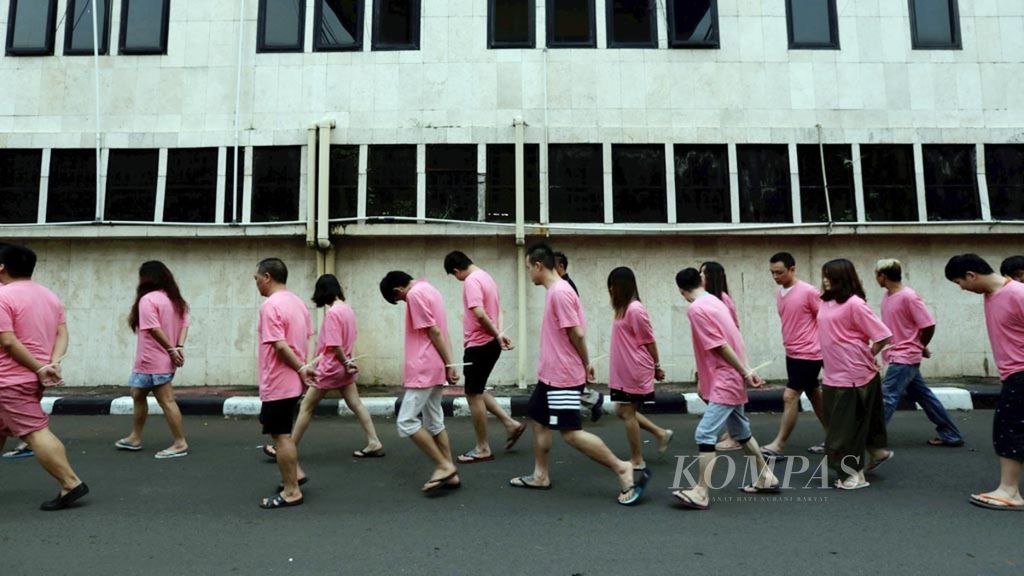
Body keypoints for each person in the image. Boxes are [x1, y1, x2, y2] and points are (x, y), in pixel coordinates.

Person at [509, 243, 643, 506]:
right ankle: (540, 474)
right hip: (550, 374)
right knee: (538, 418)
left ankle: (622, 469)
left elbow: (576, 333)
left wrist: (586, 363)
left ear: (538, 266)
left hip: (562, 376)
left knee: (570, 433)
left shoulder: (559, 292)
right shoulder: (556, 291)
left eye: (528, 268)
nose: (528, 274)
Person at [671, 268, 778, 511]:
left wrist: (744, 371)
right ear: (701, 281)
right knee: (741, 432)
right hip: (731, 376)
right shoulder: (716, 301)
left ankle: (701, 491)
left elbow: (719, 345)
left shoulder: (697, 309)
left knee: (704, 434)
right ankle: (766, 476)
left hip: (724, 379)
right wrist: (747, 370)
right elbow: (734, 339)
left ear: (681, 290)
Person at [0, 243, 89, 510]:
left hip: (9, 379)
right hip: (30, 378)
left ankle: (70, 482)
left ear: (2, 268)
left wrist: (40, 367)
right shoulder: (49, 296)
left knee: (35, 432)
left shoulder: (3, 296)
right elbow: (62, 333)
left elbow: (8, 341)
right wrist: (52, 363)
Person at [265, 274, 384, 461]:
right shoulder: (348, 310)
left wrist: (342, 361)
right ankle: (374, 440)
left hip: (331, 368)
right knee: (356, 404)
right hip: (345, 367)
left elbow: (335, 345)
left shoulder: (333, 313)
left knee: (306, 407)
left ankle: (288, 448)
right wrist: (347, 363)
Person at [945, 254, 1024, 511]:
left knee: (1008, 428)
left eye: (960, 282)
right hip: (1012, 373)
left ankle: (1009, 492)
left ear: (971, 275)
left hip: (1021, 372)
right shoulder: (992, 295)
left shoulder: (1016, 293)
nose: (962, 288)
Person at [379, 271, 461, 492]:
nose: (402, 301)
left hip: (423, 366)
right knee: (434, 420)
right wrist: (447, 363)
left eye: (399, 299)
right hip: (434, 365)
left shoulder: (414, 295)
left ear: (398, 291)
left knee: (406, 421)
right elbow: (439, 330)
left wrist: (450, 363)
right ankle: (450, 471)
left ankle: (443, 466)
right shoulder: (430, 289)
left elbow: (433, 331)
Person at [817, 259, 893, 490]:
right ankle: (877, 452)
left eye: (830, 276)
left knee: (844, 430)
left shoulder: (855, 304)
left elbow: (883, 336)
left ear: (843, 278)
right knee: (850, 423)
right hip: (833, 373)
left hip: (853, 374)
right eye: (824, 275)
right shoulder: (825, 303)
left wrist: (867, 354)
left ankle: (854, 475)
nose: (825, 280)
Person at [443, 251, 526, 463]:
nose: (457, 279)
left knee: (472, 394)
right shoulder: (487, 277)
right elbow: (498, 311)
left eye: (454, 276)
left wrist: (497, 334)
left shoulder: (471, 281)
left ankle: (482, 448)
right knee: (476, 389)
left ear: (456, 270)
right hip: (489, 343)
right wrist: (498, 333)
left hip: (479, 344)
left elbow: (479, 313)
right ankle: (510, 424)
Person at [874, 259, 963, 447]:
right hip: (898, 353)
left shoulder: (909, 296)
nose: (876, 279)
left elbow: (928, 324)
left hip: (905, 356)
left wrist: (919, 344)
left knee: (887, 396)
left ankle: (871, 440)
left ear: (882, 276)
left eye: (877, 275)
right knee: (924, 396)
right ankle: (951, 434)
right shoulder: (888, 296)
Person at [114, 261, 190, 459]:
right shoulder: (175, 300)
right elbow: (184, 325)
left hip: (154, 360)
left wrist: (172, 349)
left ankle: (180, 442)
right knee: (137, 393)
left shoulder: (148, 300)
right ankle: (135, 437)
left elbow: (154, 329)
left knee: (166, 400)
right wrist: (177, 348)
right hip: (156, 359)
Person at [253, 257, 313, 509]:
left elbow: (279, 345)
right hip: (293, 381)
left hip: (279, 381)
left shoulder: (271, 305)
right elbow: (307, 339)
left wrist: (300, 368)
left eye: (256, 279)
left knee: (281, 437)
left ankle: (291, 491)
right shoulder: (298, 303)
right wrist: (303, 369)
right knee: (283, 432)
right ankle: (295, 474)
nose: (256, 284)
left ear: (267, 277)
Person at [760, 252, 829, 458]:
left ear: (792, 269)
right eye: (772, 273)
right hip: (792, 352)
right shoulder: (779, 292)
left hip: (809, 353)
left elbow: (826, 319)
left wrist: (826, 352)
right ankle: (835, 438)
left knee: (790, 396)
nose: (775, 276)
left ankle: (778, 445)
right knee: (815, 396)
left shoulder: (809, 292)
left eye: (779, 272)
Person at [606, 267, 674, 474]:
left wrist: (657, 366)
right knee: (623, 411)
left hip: (635, 368)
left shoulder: (635, 309)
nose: (610, 290)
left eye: (613, 286)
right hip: (624, 369)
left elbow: (649, 340)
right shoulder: (623, 308)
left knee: (627, 412)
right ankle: (661, 433)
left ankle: (637, 459)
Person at [553, 251, 604, 423]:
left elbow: (572, 322)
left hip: (570, 340)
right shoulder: (563, 285)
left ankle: (593, 400)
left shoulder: (564, 288)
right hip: (568, 340)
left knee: (570, 379)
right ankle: (592, 400)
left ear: (560, 267)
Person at [700, 261, 741, 451]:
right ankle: (735, 432)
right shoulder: (708, 300)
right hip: (712, 359)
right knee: (708, 393)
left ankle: (736, 436)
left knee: (725, 397)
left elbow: (732, 332)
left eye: (703, 274)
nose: (700, 277)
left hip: (724, 359)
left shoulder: (723, 300)